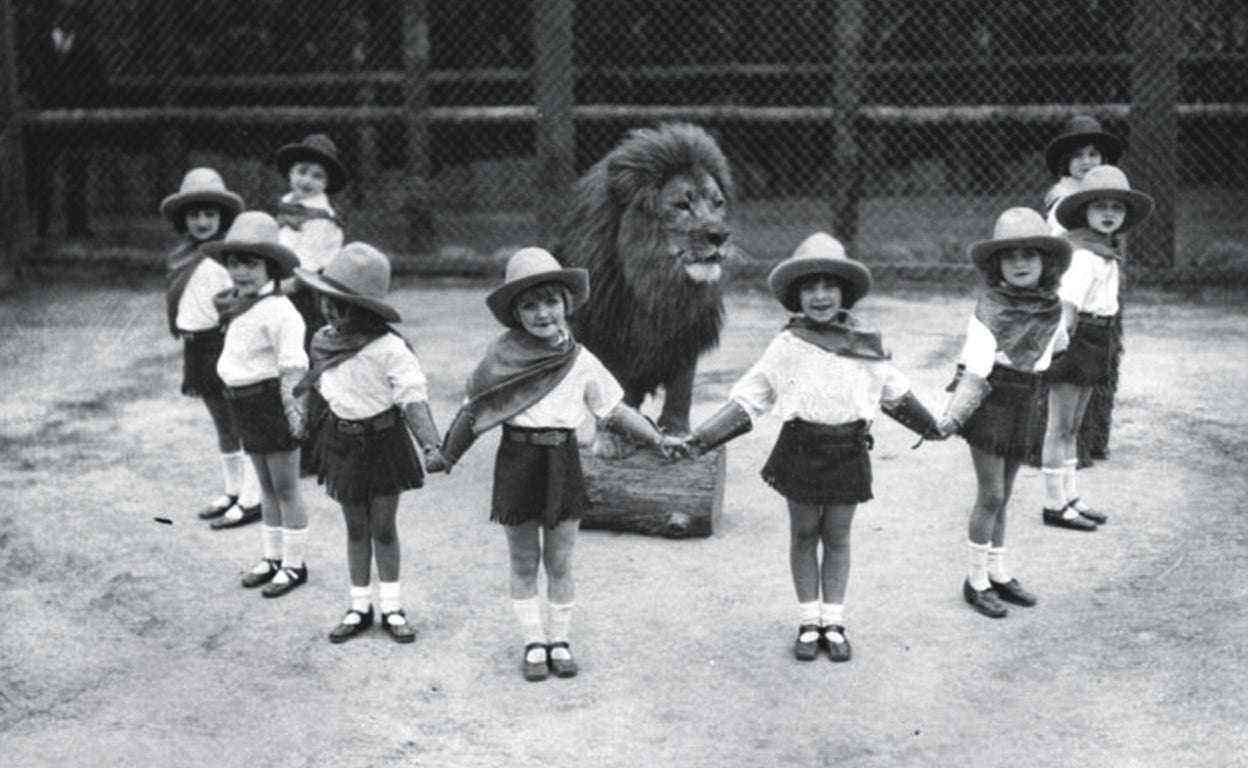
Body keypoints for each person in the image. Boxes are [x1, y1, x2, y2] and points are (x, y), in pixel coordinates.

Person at [683, 233, 942, 662]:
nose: (820, 296)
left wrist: (932, 426)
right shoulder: (787, 345)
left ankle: (833, 621)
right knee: (804, 534)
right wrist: (703, 437)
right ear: (796, 296)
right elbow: (752, 396)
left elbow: (895, 391)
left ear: (845, 293)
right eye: (809, 287)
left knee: (837, 536)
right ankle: (808, 621)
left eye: (829, 286)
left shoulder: (865, 345)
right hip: (801, 448)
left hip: (847, 450)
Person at [437, 247, 682, 681]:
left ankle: (560, 640)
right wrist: (445, 455)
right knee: (523, 559)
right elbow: (474, 412)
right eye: (529, 305)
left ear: (566, 304)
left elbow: (613, 409)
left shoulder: (580, 360)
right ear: (515, 314)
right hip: (518, 461)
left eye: (551, 301)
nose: (542, 313)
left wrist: (656, 438)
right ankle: (534, 642)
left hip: (562, 462)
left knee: (561, 560)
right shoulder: (499, 361)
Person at [293, 242, 447, 644]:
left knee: (383, 527)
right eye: (326, 301)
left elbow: (412, 399)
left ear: (367, 310)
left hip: (383, 445)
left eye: (342, 306)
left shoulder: (389, 349)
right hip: (341, 443)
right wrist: (304, 423)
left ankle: (392, 607)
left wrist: (430, 445)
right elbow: (318, 388)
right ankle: (359, 606)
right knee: (355, 527)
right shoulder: (322, 341)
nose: (330, 311)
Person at [936, 208, 1071, 618]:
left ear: (1046, 262)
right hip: (990, 400)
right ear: (997, 265)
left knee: (1006, 494)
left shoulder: (1052, 307)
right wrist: (952, 417)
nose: (1020, 263)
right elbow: (975, 371)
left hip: (1028, 399)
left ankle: (997, 572)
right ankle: (975, 581)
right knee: (991, 494)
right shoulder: (990, 308)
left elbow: (1059, 346)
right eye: (1010, 256)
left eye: (1029, 255)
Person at [204, 211, 312, 597]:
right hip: (244, 405)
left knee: (286, 488)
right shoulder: (240, 305)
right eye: (234, 263)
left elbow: (294, 368)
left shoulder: (280, 311)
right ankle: (271, 556)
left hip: (272, 405)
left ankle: (294, 564)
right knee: (265, 487)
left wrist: (295, 417)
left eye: (250, 264)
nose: (240, 272)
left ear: (271, 268)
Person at [1041, 166, 1154, 530]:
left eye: (1116, 208)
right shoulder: (1081, 254)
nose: (1109, 213)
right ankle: (1053, 504)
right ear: (1083, 211)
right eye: (1100, 206)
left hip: (1098, 339)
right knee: (1059, 425)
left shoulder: (1104, 251)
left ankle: (1071, 496)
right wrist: (1058, 350)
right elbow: (1067, 308)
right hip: (1076, 341)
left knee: (1075, 425)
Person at [160, 168, 264, 530]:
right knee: (221, 423)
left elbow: (240, 300)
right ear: (183, 219)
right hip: (196, 346)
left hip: (221, 343)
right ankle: (233, 490)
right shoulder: (181, 255)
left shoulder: (224, 259)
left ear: (223, 217)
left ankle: (252, 497)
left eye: (209, 214)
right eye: (194, 215)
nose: (202, 222)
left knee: (239, 421)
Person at [21, 0, 108, 241]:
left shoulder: (87, 45)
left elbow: (99, 83)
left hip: (78, 120)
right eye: (63, 12)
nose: (68, 18)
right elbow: (32, 81)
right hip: (46, 120)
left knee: (77, 174)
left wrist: (89, 111)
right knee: (43, 175)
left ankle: (77, 225)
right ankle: (41, 227)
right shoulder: (40, 44)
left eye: (73, 13)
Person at [274, 133, 347, 349]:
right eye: (302, 171)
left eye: (317, 176)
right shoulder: (287, 206)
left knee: (300, 340)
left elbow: (309, 267)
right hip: (282, 280)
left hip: (306, 288)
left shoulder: (321, 219)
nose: (306, 181)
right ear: (290, 173)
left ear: (326, 183)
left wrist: (280, 288)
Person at [1042, 115, 1124, 235]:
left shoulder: (1104, 190)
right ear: (1066, 160)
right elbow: (1057, 236)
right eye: (1077, 155)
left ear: (1102, 158)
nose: (1086, 161)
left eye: (1093, 154)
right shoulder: (1063, 198)